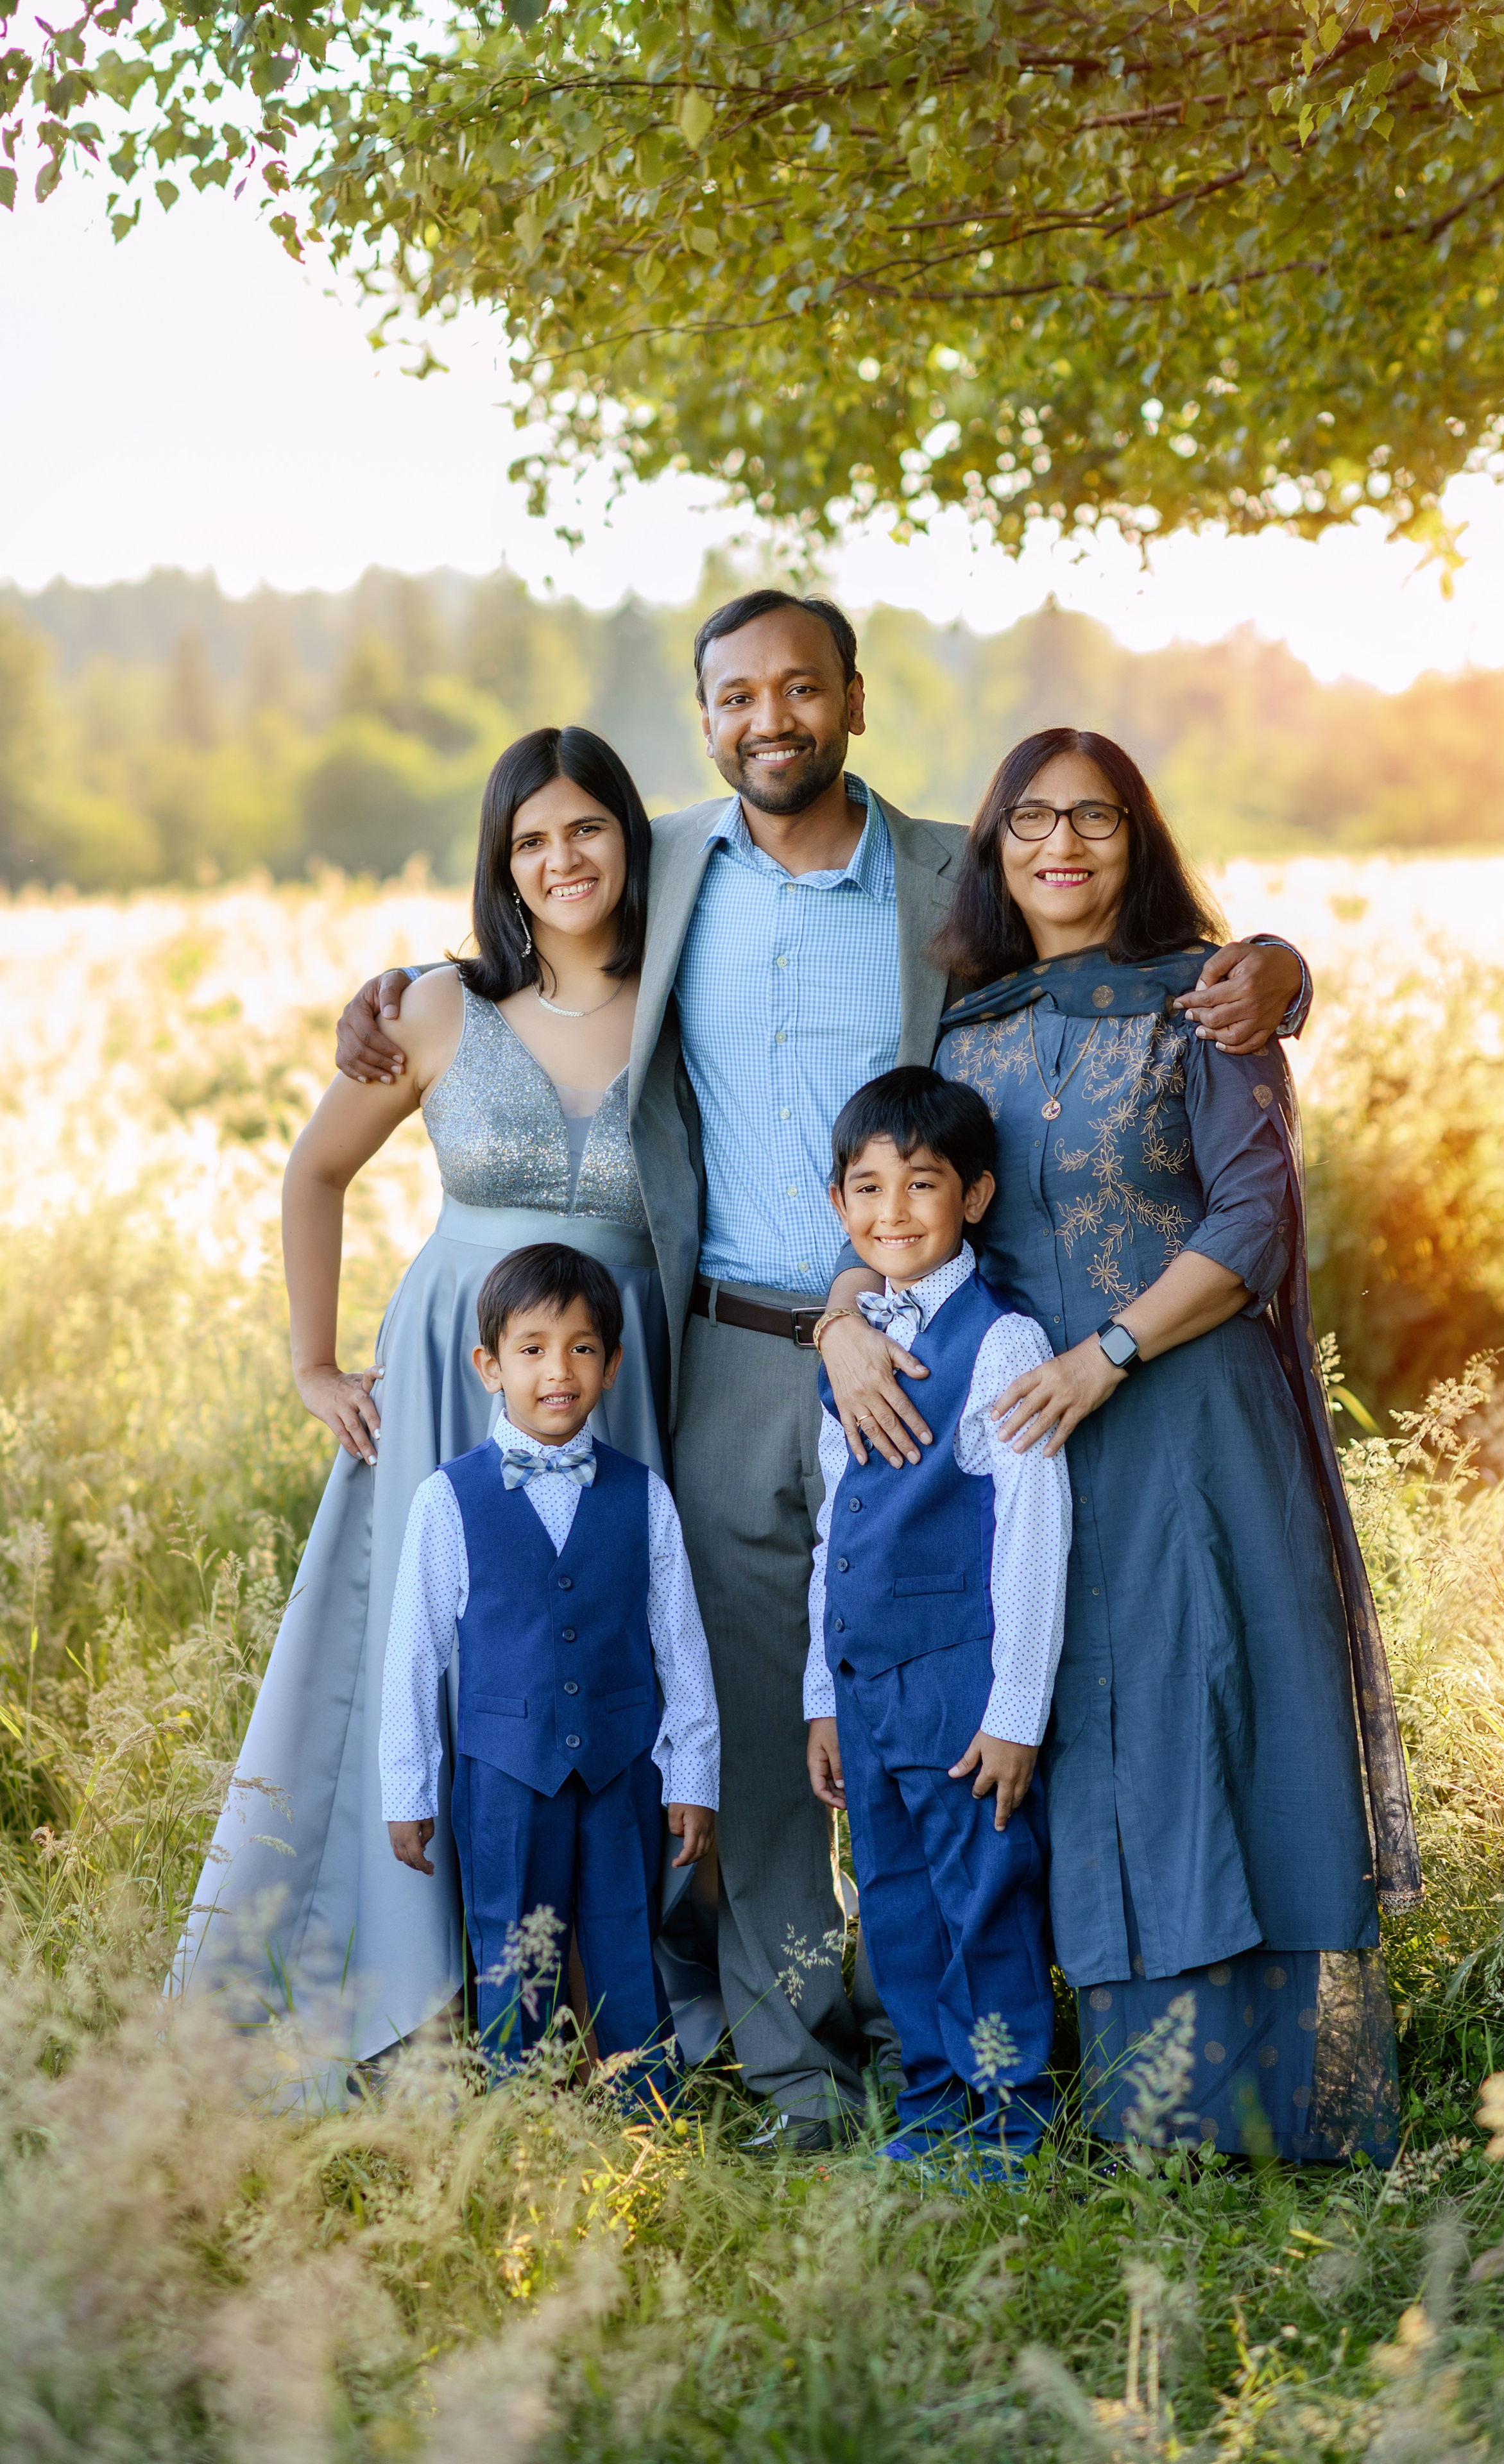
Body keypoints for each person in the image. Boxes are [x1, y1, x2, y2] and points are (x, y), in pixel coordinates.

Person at [334, 590, 1313, 2149]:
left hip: (938, 1362)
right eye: (736, 696)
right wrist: (391, 999)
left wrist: (1280, 964)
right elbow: (539, 907)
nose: (769, 718)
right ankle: (796, 2061)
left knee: (973, 1686)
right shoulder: (660, 867)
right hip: (731, 1350)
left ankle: (985, 2037)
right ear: (704, 715)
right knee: (759, 1730)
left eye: (801, 689)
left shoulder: (949, 866)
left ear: (853, 700)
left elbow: (1125, 946)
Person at [905, 726, 1419, 2162]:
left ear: (1136, 842)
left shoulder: (1204, 1005)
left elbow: (1250, 1222)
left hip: (1185, 1412)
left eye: (1095, 819)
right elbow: (914, 1204)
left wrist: (1111, 1351)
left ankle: (1249, 2111)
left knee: (1215, 1726)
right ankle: (1127, 2100)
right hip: (1031, 1441)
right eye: (1029, 821)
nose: (1061, 845)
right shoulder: (961, 1027)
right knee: (1086, 1736)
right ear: (994, 850)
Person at [172, 724, 708, 2092]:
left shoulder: (681, 993)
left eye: (585, 829)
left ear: (627, 843)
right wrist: (313, 1364)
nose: (560, 859)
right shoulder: (428, 1009)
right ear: (500, 864)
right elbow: (311, 1177)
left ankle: (612, 1999)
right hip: (453, 1364)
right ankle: (421, 1998)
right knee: (433, 1656)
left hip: (624, 1358)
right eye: (530, 840)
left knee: (608, 1653)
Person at [803, 1068, 1070, 2171]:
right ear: (838, 1207)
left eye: (922, 1184)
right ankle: (928, 2103)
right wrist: (822, 1696)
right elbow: (836, 1530)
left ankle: (1010, 2121)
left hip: (961, 1690)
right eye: (868, 1189)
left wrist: (1015, 1710)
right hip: (868, 1691)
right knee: (900, 1906)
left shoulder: (1001, 1342)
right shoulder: (851, 1344)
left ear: (976, 1195)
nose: (894, 1212)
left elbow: (1032, 1533)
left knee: (983, 1902)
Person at [380, 1243, 718, 2084]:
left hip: (620, 1771)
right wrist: (408, 1790)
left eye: (581, 1348)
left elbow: (680, 1645)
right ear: (489, 1367)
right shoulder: (445, 1499)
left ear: (610, 1365)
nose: (557, 1371)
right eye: (531, 1349)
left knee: (623, 1941)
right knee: (510, 1951)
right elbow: (415, 1654)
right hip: (502, 1780)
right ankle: (516, 2120)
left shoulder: (644, 1497)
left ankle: (647, 2119)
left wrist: (693, 1778)